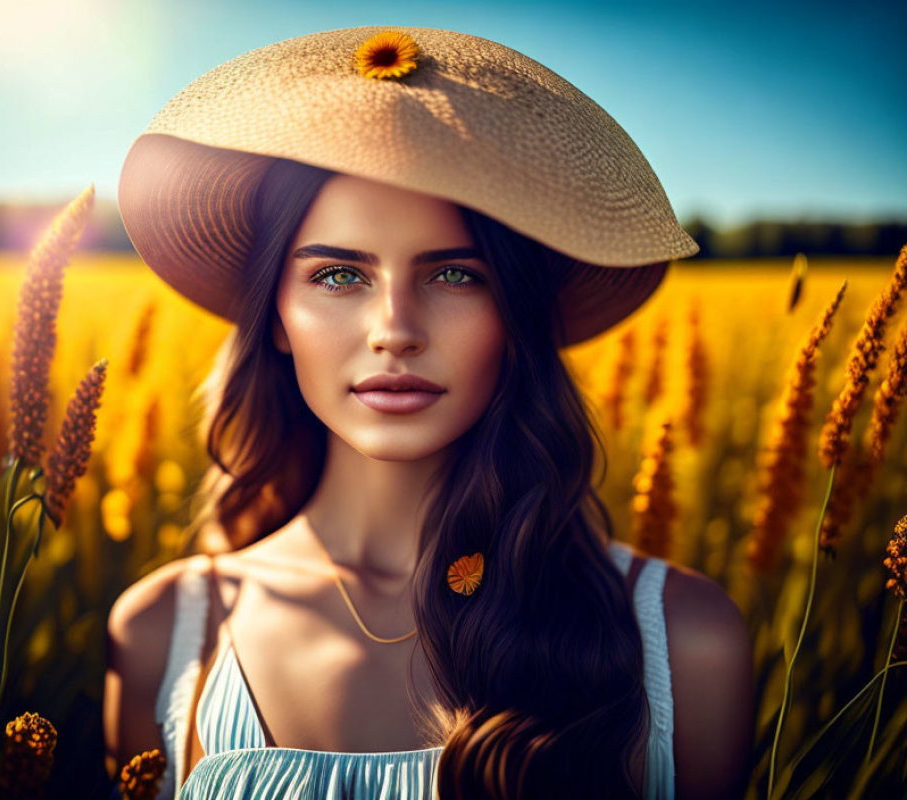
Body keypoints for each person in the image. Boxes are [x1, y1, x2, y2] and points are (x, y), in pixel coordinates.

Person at [104, 25, 754, 800]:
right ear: (274, 316)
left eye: (454, 274)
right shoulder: (160, 634)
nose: (395, 330)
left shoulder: (684, 640)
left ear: (515, 314)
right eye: (340, 276)